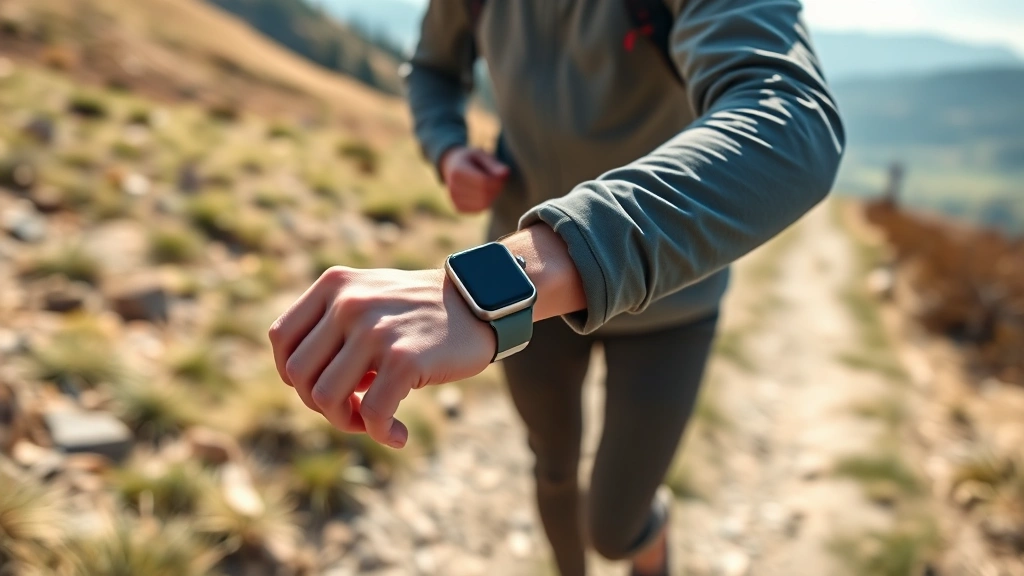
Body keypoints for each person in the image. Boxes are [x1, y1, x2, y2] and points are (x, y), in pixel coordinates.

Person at [268, 0, 845, 574]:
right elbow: (433, 69)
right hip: (533, 306)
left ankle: (650, 545)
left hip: (665, 299)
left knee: (615, 528)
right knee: (553, 468)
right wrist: (447, 149)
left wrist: (496, 282)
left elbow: (793, 119)